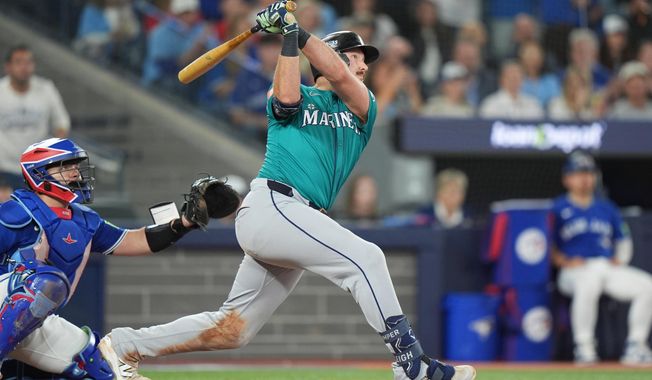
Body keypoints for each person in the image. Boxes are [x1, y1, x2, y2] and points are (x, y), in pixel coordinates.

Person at [98, 2, 476, 380]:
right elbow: (287, 100)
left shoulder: (363, 105)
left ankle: (124, 345)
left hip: (297, 218)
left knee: (232, 330)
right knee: (367, 258)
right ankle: (411, 362)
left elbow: (342, 80)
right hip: (274, 204)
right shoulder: (296, 90)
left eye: (365, 61)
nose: (363, 67)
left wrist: (296, 31)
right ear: (326, 58)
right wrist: (291, 37)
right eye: (355, 57)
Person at [0, 138, 238, 379]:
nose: (74, 172)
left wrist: (183, 223)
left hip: (32, 324)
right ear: (39, 173)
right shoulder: (14, 213)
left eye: (75, 164)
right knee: (46, 281)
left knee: (101, 367)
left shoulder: (84, 220)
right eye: (63, 166)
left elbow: (133, 240)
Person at [552, 151, 652, 364]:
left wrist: (621, 259)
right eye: (578, 173)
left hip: (604, 266)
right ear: (566, 178)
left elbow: (623, 238)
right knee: (588, 282)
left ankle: (636, 346)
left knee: (648, 286)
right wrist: (562, 261)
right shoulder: (558, 208)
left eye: (588, 173)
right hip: (573, 271)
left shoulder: (606, 207)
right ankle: (584, 347)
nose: (584, 178)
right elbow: (545, 244)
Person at [0, 44, 70, 199]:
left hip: (38, 169)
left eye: (28, 62)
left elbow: (61, 123)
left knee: (41, 218)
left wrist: (55, 157)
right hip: (4, 169)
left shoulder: (46, 89)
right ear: (8, 67)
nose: (24, 67)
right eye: (19, 62)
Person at [479, 60, 544, 120]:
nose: (514, 81)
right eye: (510, 77)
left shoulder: (533, 104)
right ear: (501, 79)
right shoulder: (490, 104)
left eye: (517, 77)